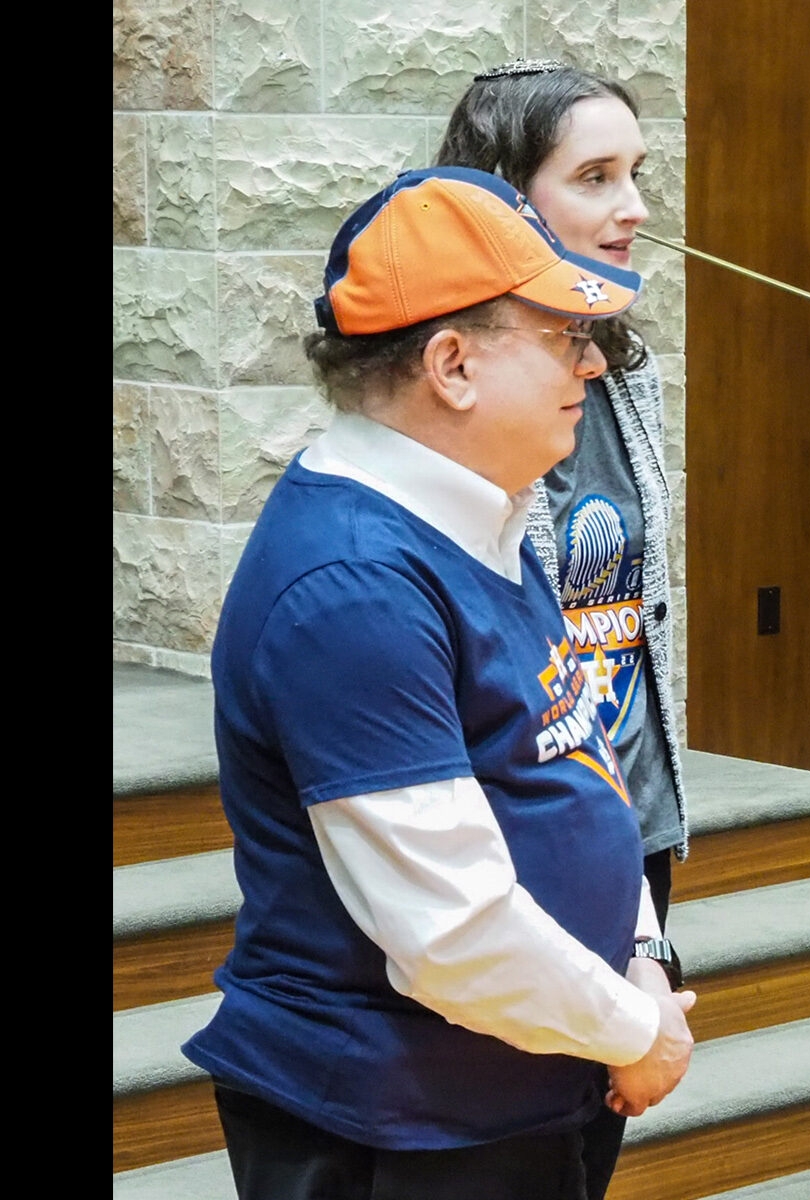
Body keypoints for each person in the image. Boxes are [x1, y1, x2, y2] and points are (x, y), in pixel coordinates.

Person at [182, 166, 696, 1200]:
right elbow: (450, 933)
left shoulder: (491, 512)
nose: (591, 366)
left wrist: (639, 949)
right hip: (399, 1129)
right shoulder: (353, 586)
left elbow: (582, 753)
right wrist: (637, 1027)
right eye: (561, 337)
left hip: (532, 1070)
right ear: (452, 364)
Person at [434, 61, 689, 1195]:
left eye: (638, 174)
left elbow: (635, 615)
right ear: (503, 200)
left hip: (629, 822)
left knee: (590, 1152)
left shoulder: (623, 369)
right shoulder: (454, 393)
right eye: (596, 177)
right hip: (516, 835)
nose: (635, 207)